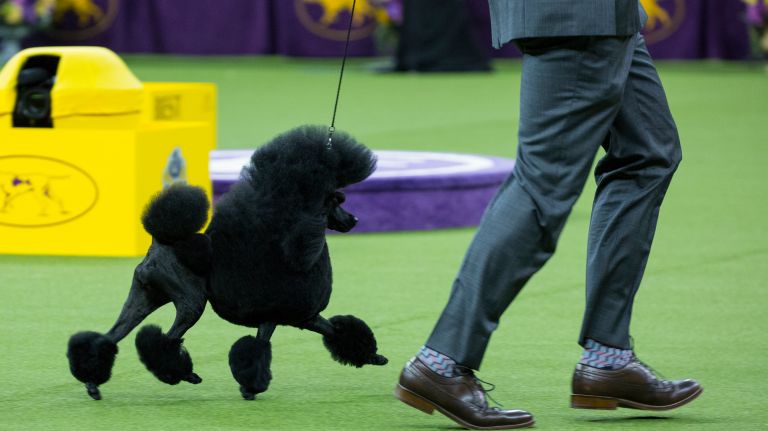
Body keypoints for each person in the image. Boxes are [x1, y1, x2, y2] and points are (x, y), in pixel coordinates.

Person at [394, 1, 702, 429]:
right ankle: (442, 361)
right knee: (543, 183)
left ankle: (608, 356)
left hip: (608, 17)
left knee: (648, 153)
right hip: (577, 15)